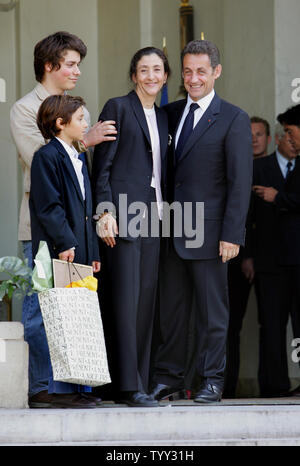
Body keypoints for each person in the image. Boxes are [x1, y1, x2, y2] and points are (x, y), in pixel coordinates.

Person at [9, 31, 116, 407]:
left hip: (76, 232)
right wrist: (86, 137)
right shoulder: (24, 108)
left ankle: (70, 389)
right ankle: (41, 387)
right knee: (40, 309)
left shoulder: (74, 113)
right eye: (70, 64)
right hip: (42, 229)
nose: (77, 71)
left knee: (73, 311)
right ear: (50, 66)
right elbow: (41, 158)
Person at [149, 39, 252, 403]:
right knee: (172, 312)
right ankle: (169, 377)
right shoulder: (170, 113)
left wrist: (232, 234)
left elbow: (240, 183)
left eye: (201, 72)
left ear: (216, 72)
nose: (193, 79)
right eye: (188, 71)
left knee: (212, 313)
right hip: (172, 229)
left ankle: (212, 380)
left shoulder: (234, 118)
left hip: (211, 234)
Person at [91, 47, 170, 407]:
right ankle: (125, 385)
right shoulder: (118, 108)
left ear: (166, 76)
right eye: (144, 70)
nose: (151, 76)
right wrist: (104, 212)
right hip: (123, 216)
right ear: (134, 75)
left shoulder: (165, 118)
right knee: (124, 300)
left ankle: (139, 380)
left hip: (154, 214)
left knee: (146, 301)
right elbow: (102, 166)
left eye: (157, 69)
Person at [29, 94, 100, 408]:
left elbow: (88, 208)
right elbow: (49, 207)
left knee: (77, 317)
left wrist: (91, 249)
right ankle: (56, 392)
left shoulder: (78, 156)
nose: (86, 124)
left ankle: (78, 389)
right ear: (60, 123)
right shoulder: (47, 156)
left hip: (78, 250)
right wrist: (67, 243)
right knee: (55, 318)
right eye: (81, 118)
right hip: (53, 251)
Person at [244, 122, 300, 397]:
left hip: (299, 260)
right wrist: (248, 256)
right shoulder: (259, 167)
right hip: (269, 261)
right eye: (291, 138)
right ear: (279, 138)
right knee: (272, 325)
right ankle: (274, 386)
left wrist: (279, 198)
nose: (294, 144)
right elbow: (248, 217)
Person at [224, 116, 271, 398]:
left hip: (270, 262)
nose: (254, 139)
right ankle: (226, 386)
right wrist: (244, 255)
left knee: (271, 324)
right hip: (234, 259)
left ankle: (271, 386)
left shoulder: (280, 170)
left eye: (259, 134)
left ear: (269, 138)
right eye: (249, 134)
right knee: (230, 326)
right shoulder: (234, 169)